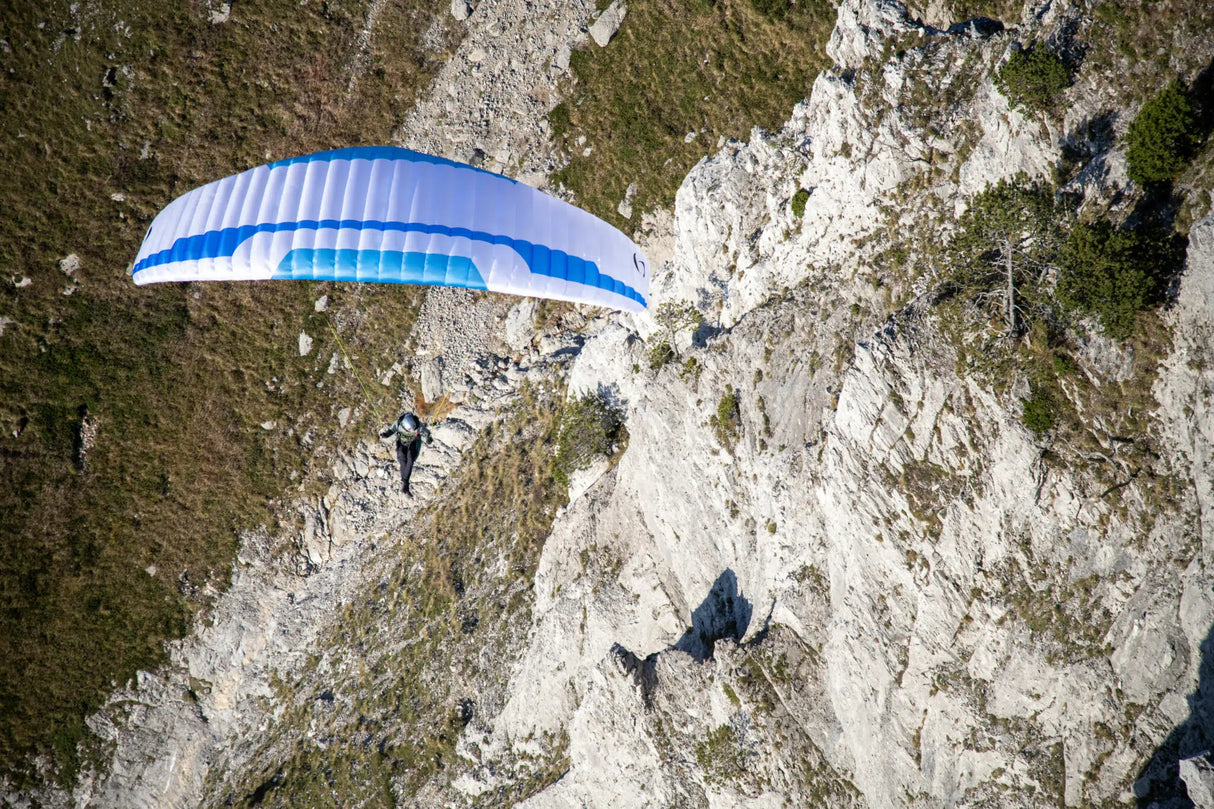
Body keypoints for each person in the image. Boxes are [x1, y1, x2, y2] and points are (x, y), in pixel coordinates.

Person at [379, 412, 432, 497]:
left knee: (410, 459)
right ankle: (405, 485)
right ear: (404, 426)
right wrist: (386, 435)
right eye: (410, 430)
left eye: (413, 429)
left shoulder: (417, 424)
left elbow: (426, 433)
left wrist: (429, 438)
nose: (412, 431)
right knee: (402, 459)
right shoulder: (399, 423)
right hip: (402, 443)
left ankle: (405, 483)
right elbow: (392, 430)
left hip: (414, 443)